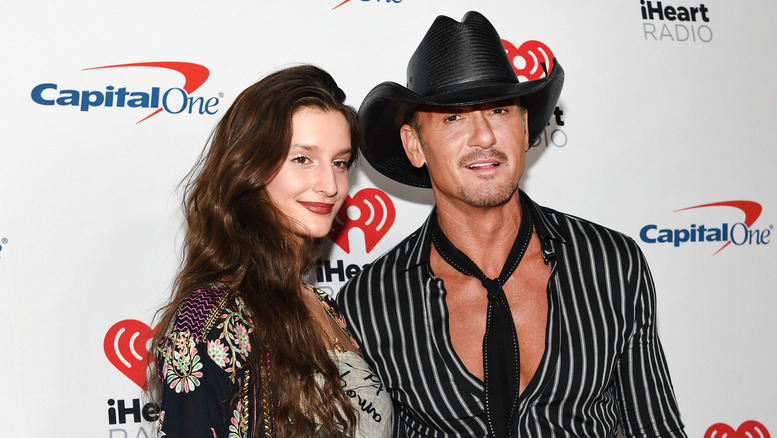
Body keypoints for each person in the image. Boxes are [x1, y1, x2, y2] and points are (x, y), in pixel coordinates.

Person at [337, 11, 687, 438]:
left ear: (523, 127)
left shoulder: (610, 263)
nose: (484, 137)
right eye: (453, 117)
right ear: (415, 145)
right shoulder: (369, 303)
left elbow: (654, 426)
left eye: (499, 110)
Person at [152, 65, 393, 438]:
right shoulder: (211, 317)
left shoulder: (324, 307)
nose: (330, 185)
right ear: (250, 166)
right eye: (302, 159)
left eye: (340, 163)